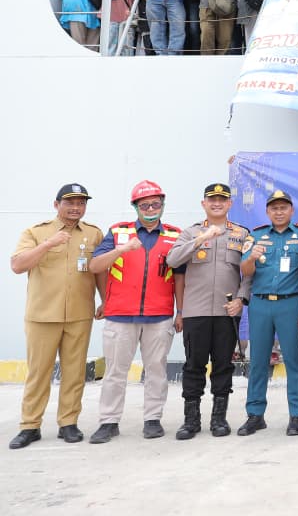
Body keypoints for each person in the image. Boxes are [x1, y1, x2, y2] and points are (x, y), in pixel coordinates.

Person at [9, 184, 104, 450]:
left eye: (81, 203)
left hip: (79, 314)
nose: (76, 208)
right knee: (39, 373)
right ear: (56, 204)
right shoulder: (36, 232)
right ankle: (30, 426)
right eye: (69, 202)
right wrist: (48, 244)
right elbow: (17, 265)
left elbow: (99, 270)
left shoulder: (94, 234)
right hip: (43, 315)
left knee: (75, 372)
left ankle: (68, 423)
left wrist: (106, 300)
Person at [84, 181, 179, 445]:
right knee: (115, 371)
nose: (150, 209)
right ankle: (109, 421)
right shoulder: (118, 232)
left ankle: (153, 419)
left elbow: (181, 276)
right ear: (135, 207)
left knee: (156, 370)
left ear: (162, 205)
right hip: (120, 316)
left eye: (155, 204)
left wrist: (180, 311)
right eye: (144, 205)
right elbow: (95, 266)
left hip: (159, 316)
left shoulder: (174, 235)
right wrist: (121, 250)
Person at [166, 184, 250, 440]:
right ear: (204, 203)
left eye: (222, 199)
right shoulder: (190, 232)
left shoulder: (241, 234)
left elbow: (249, 272)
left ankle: (219, 419)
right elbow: (172, 260)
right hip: (196, 311)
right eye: (212, 199)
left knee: (223, 366)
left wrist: (241, 299)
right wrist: (201, 239)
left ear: (229, 204)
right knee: (194, 366)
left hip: (227, 312)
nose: (217, 203)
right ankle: (191, 420)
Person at [236, 189, 298, 437]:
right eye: (274, 208)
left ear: (291, 210)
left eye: (283, 207)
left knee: (294, 361)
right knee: (258, 361)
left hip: (290, 304)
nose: (279, 212)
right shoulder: (257, 235)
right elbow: (246, 270)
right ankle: (255, 415)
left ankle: (296, 416)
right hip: (260, 304)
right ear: (268, 211)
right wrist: (252, 258)